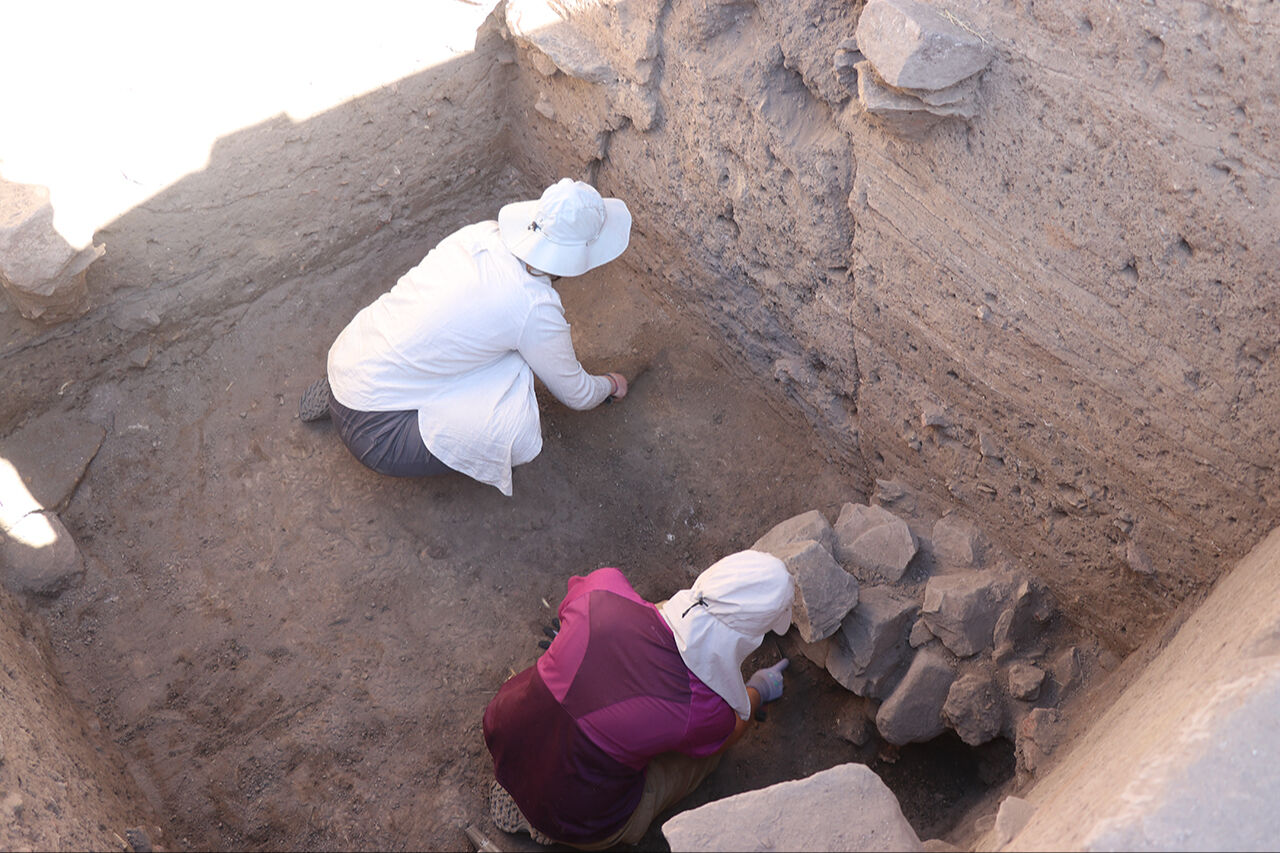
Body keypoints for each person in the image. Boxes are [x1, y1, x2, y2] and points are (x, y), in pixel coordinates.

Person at [298, 178, 633, 496]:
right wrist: (611, 385)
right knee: (517, 425)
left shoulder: (482, 234)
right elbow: (576, 393)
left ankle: (348, 391)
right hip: (378, 435)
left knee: (469, 338)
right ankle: (369, 411)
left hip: (349, 354)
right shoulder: (536, 307)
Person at [482, 550, 795, 849]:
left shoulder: (604, 587)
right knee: (706, 754)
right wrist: (757, 690)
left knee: (567, 682)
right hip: (580, 821)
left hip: (505, 737)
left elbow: (577, 611)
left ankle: (530, 789)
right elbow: (732, 730)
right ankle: (574, 830)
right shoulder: (705, 709)